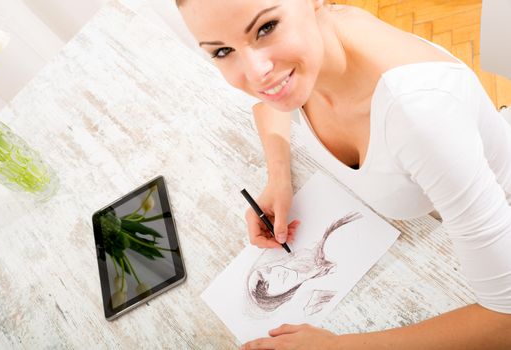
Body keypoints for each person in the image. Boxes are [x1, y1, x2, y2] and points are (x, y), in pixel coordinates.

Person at [176, 0, 511, 348]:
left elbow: (505, 319)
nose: (256, 72)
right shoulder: (317, 40)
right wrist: (278, 178)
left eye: (266, 28)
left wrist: (337, 346)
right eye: (223, 51)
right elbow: (270, 101)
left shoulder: (420, 116)